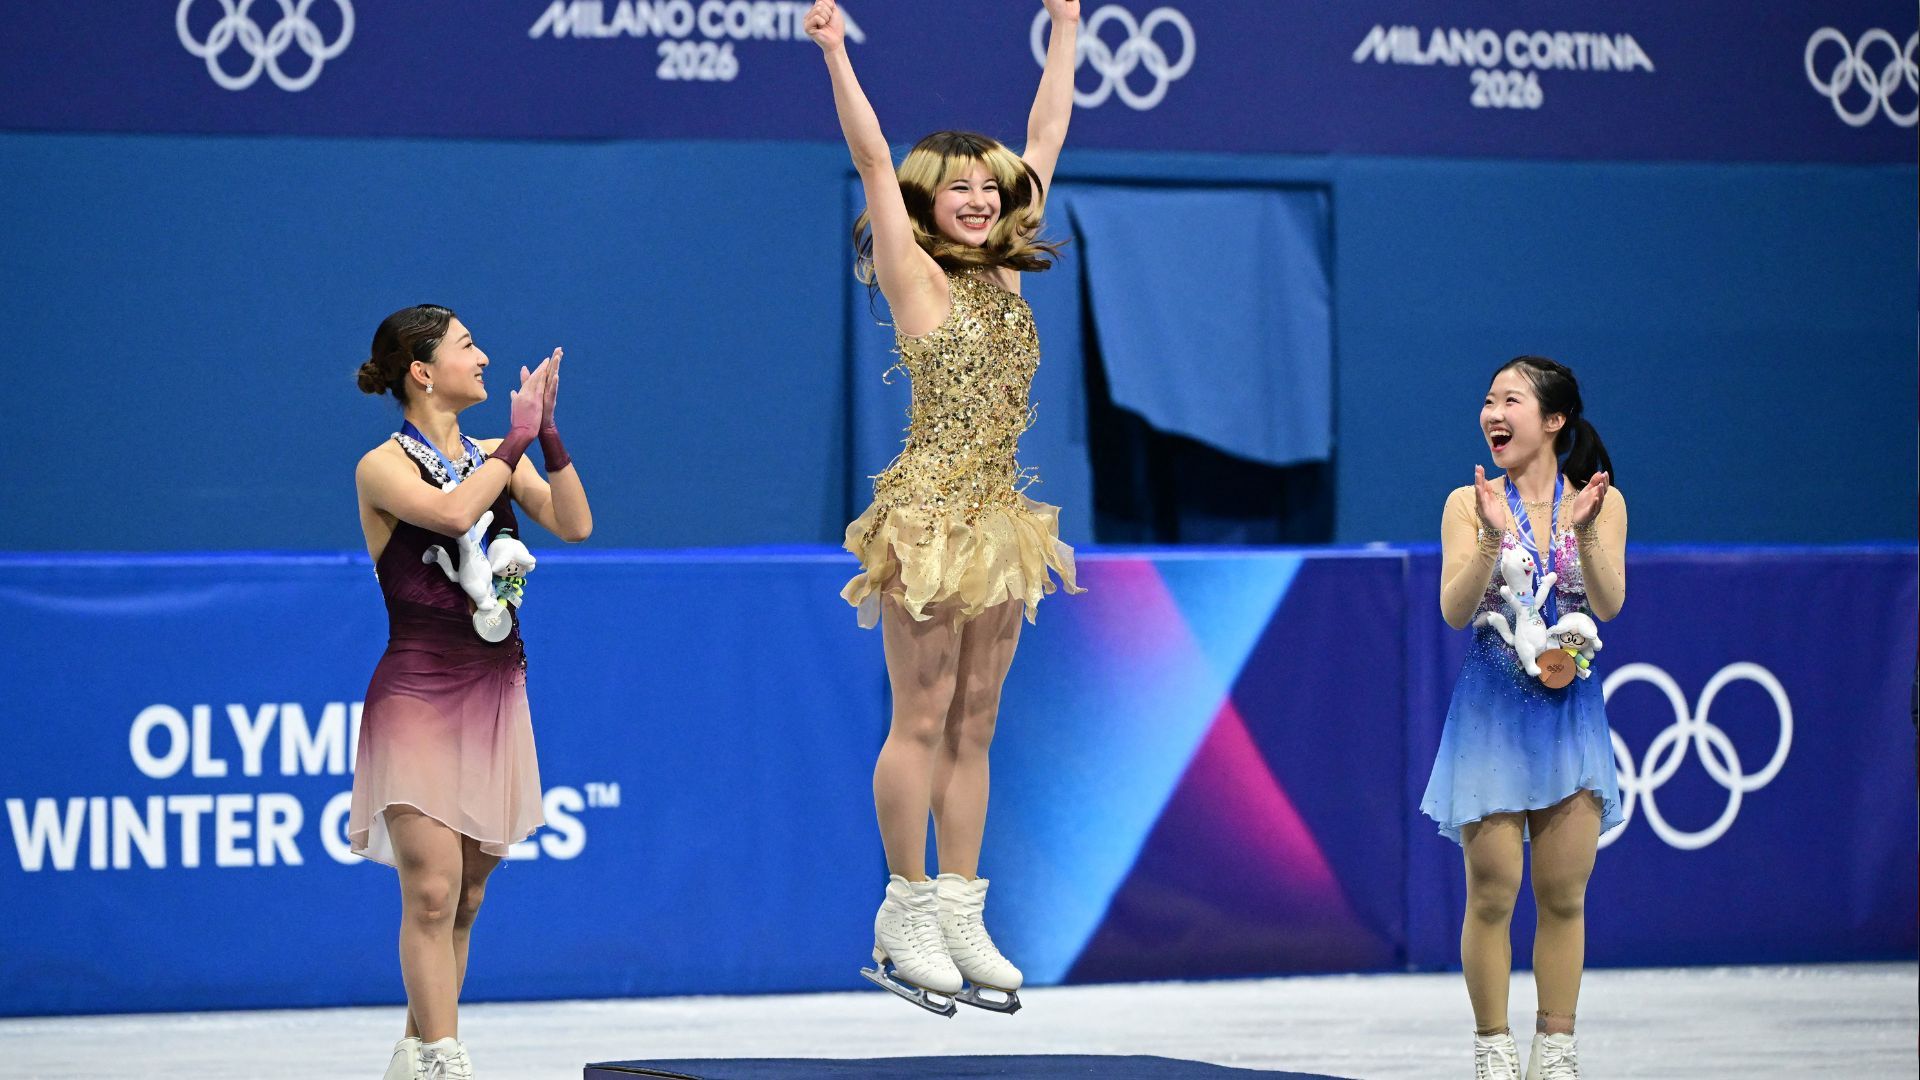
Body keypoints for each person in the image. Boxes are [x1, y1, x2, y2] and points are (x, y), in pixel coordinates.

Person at [804, 0, 1083, 1016]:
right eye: (956, 187)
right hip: (928, 517)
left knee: (977, 719)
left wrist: (1066, 28)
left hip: (1002, 520)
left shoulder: (1008, 266)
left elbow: (1046, 132)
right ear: (924, 203)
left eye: (987, 187)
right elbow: (874, 157)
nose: (978, 199)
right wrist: (836, 52)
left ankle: (962, 905)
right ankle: (905, 903)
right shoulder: (911, 272)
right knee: (919, 716)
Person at [349, 305, 591, 1077]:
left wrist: (546, 437)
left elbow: (576, 524)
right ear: (423, 371)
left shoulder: (498, 453)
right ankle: (447, 1059)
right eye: (467, 347)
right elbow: (455, 512)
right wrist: (516, 438)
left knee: (467, 898)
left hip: (494, 693)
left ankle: (417, 1050)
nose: (484, 358)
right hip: (418, 691)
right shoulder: (381, 466)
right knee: (430, 889)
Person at [1421, 357, 1627, 1080]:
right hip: (1491, 721)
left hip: (1570, 721)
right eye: (1487, 400)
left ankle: (1557, 1052)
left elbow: (1607, 604)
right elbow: (1453, 612)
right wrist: (1487, 535)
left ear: (1553, 420)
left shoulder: (1602, 501)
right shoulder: (1465, 502)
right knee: (1493, 892)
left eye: (1510, 399)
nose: (1492, 413)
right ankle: (1493, 1050)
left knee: (1565, 895)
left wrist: (1588, 532)